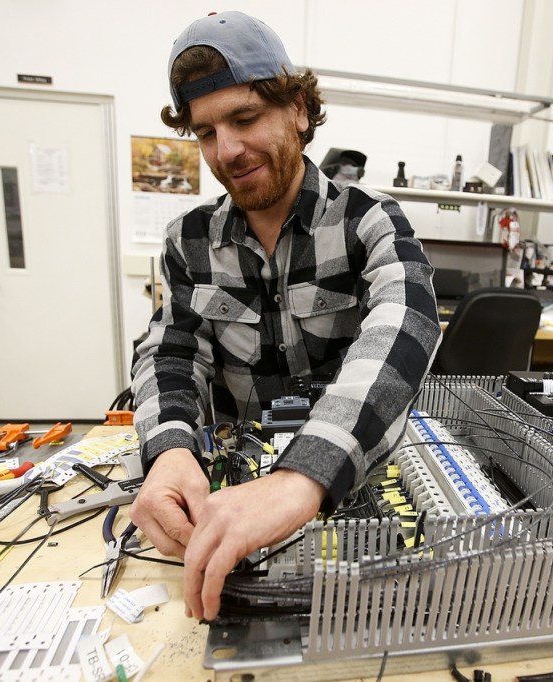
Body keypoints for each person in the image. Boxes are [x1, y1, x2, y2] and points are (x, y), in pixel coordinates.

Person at [129, 10, 441, 622]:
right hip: (236, 495)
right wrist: (168, 449)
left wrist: (305, 474)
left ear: (298, 108)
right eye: (206, 132)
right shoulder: (188, 241)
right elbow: (170, 351)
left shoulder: (368, 220)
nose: (228, 151)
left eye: (245, 119)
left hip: (350, 481)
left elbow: (407, 319)